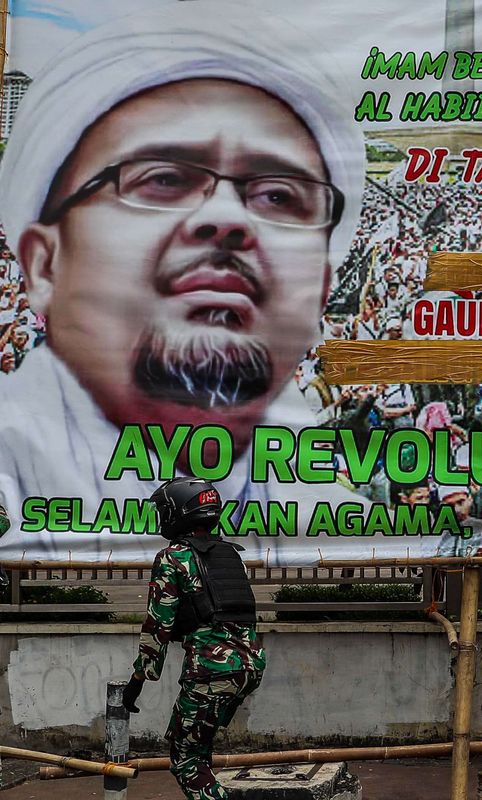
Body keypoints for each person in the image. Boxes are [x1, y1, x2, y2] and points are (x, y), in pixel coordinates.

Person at [0, 3, 370, 564]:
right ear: (44, 262)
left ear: (320, 285)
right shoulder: (13, 473)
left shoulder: (361, 536)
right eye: (164, 178)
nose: (228, 220)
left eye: (278, 195)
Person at [122, 478, 265, 800]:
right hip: (250, 664)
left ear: (178, 513)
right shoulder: (230, 555)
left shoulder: (173, 557)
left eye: (163, 511)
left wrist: (138, 678)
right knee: (200, 749)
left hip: (212, 669)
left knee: (186, 758)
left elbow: (159, 623)